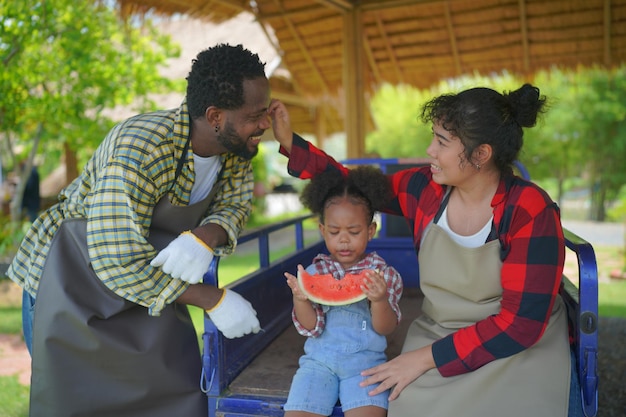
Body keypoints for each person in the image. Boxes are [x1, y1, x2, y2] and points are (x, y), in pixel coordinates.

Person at [268, 83, 583, 417]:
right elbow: (353, 186)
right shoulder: (425, 189)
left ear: (481, 154)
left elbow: (521, 325)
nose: (430, 150)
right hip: (440, 330)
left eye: (442, 141)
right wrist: (290, 142)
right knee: (407, 403)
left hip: (516, 346)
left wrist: (421, 359)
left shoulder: (529, 208)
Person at [7, 43, 270, 417]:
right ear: (215, 116)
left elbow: (235, 204)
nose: (265, 124)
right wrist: (212, 299)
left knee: (174, 398)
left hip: (147, 289)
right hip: (70, 287)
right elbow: (115, 258)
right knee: (73, 403)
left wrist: (205, 236)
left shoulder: (236, 149)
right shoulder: (144, 147)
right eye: (255, 115)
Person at [282, 166, 403, 417]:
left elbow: (386, 328)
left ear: (371, 230)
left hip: (366, 366)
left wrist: (379, 299)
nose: (344, 240)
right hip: (318, 364)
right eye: (335, 232)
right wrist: (301, 298)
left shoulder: (383, 274)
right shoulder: (315, 272)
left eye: (354, 231)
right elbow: (311, 327)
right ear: (323, 231)